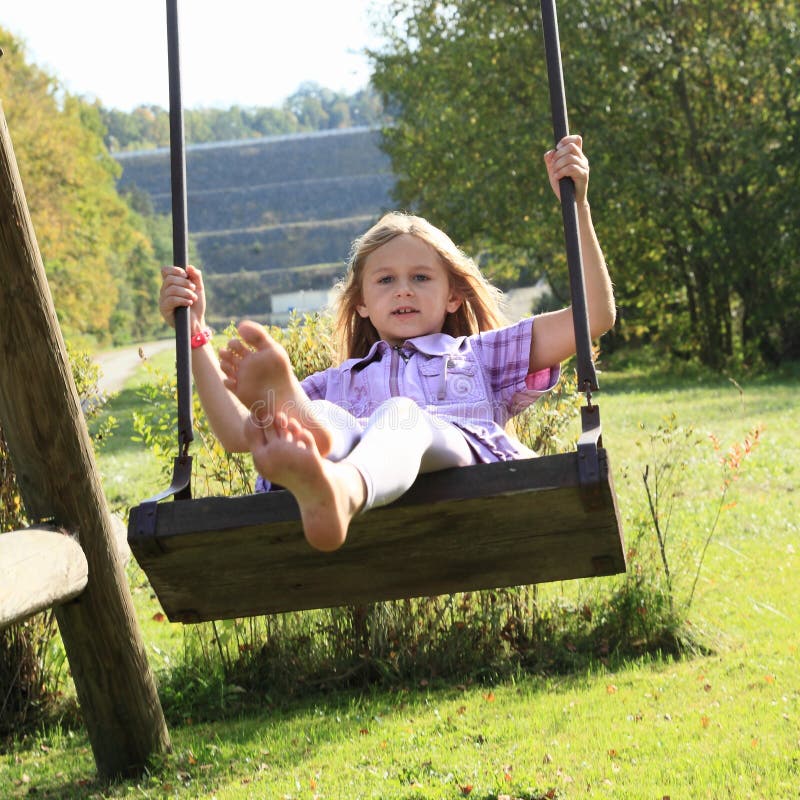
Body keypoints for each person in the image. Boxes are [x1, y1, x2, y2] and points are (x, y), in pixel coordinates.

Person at [159, 134, 615, 553]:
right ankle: (317, 454)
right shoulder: (341, 380)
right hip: (357, 459)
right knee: (324, 415)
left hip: (470, 472)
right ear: (360, 304)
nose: (404, 290)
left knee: (400, 415)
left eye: (421, 277)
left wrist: (577, 205)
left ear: (453, 295)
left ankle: (342, 489)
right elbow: (241, 434)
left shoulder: (481, 355)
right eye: (385, 280)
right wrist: (195, 334)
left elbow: (593, 316)